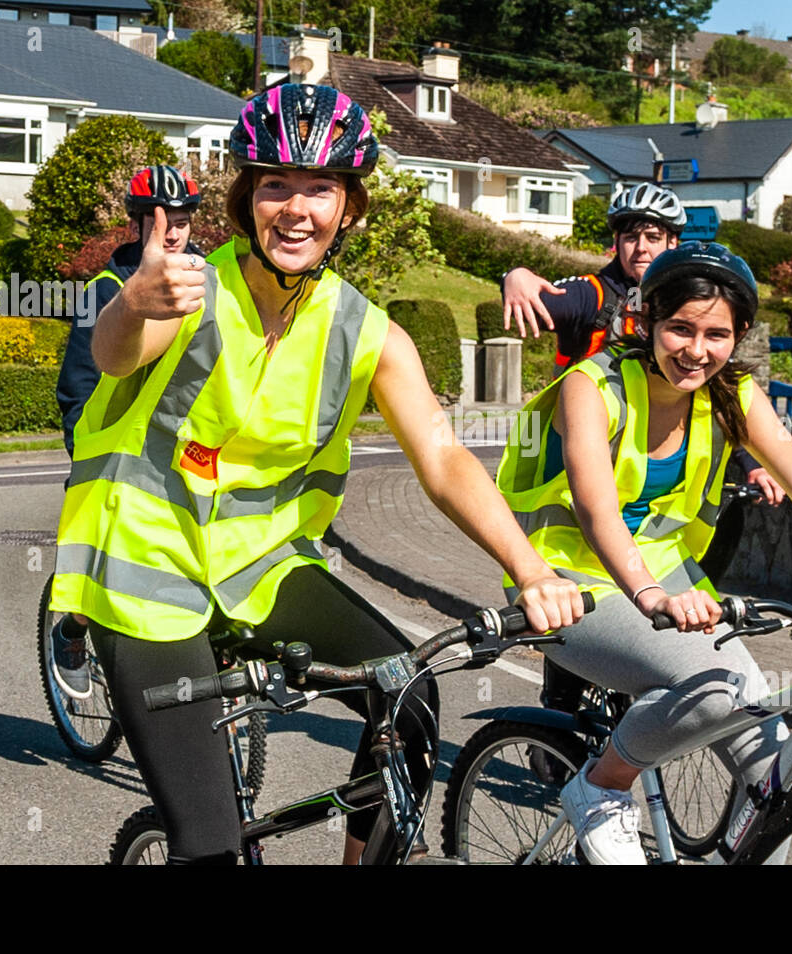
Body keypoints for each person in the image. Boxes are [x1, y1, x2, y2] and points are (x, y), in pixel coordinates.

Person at [49, 83, 585, 864]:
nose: (296, 208)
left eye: (320, 188)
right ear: (245, 199)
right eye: (275, 184)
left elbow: (440, 457)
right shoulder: (187, 288)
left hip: (262, 569)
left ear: (349, 207)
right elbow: (113, 355)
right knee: (207, 842)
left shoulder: (367, 330)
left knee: (408, 695)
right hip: (142, 575)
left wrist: (530, 569)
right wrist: (132, 301)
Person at [495, 240, 792, 864]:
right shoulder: (593, 384)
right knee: (713, 691)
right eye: (679, 329)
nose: (695, 350)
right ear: (648, 322)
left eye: (716, 334)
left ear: (738, 335)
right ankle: (600, 787)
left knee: (773, 781)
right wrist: (651, 596)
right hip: (564, 582)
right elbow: (594, 507)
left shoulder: (732, 393)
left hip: (667, 579)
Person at [501, 183, 785, 722]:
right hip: (587, 454)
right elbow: (534, 293)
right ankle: (561, 708)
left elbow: (719, 406)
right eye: (629, 236)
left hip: (650, 486)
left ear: (674, 241)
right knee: (586, 604)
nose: (641, 247)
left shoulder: (694, 294)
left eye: (654, 236)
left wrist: (750, 462)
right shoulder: (593, 293)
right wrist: (512, 276)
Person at [51, 164, 204, 701]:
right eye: (162, 219)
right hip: (114, 452)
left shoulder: (203, 281)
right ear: (137, 224)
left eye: (183, 219)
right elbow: (77, 386)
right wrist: (91, 457)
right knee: (100, 566)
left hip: (184, 451)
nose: (175, 230)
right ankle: (71, 631)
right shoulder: (107, 289)